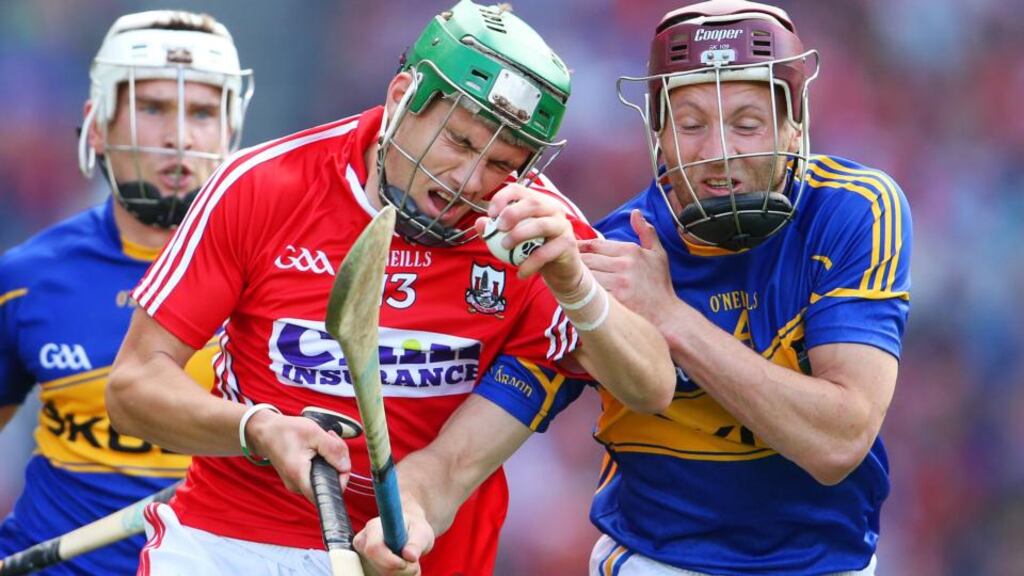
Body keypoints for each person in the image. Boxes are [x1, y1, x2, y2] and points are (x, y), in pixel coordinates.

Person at [106, 2, 674, 575]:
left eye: (503, 162)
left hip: (421, 553)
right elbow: (132, 388)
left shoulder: (534, 233)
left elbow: (651, 387)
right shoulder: (263, 185)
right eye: (457, 141)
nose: (468, 180)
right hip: (232, 537)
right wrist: (256, 427)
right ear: (403, 94)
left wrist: (574, 285)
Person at [356, 1, 912, 575]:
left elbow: (838, 444)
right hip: (653, 563)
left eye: (747, 123)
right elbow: (457, 459)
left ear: (795, 125)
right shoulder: (601, 255)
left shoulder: (854, 210)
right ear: (659, 135)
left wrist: (669, 316)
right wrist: (409, 516)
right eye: (691, 124)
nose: (717, 151)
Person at [0, 10, 253, 575]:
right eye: (154, 106)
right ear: (97, 125)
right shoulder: (25, 277)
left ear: (231, 131)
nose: (179, 136)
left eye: (204, 112)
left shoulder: (286, 275)